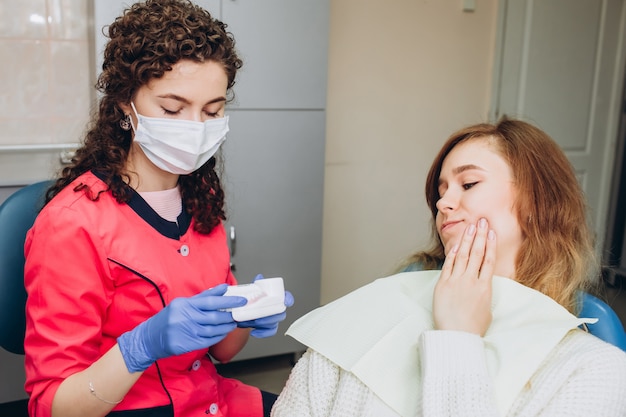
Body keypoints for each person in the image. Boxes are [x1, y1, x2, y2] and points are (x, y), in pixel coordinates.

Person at [23, 1, 293, 416]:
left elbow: (221, 352)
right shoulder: (72, 224)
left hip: (213, 401)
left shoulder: (200, 202)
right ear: (124, 107)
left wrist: (245, 314)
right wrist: (139, 348)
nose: (195, 130)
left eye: (213, 111)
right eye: (172, 109)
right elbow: (54, 407)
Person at [270, 118, 626, 417]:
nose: (443, 202)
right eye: (440, 191)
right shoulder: (373, 309)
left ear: (537, 203)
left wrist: (458, 337)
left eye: (468, 183)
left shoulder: (594, 369)